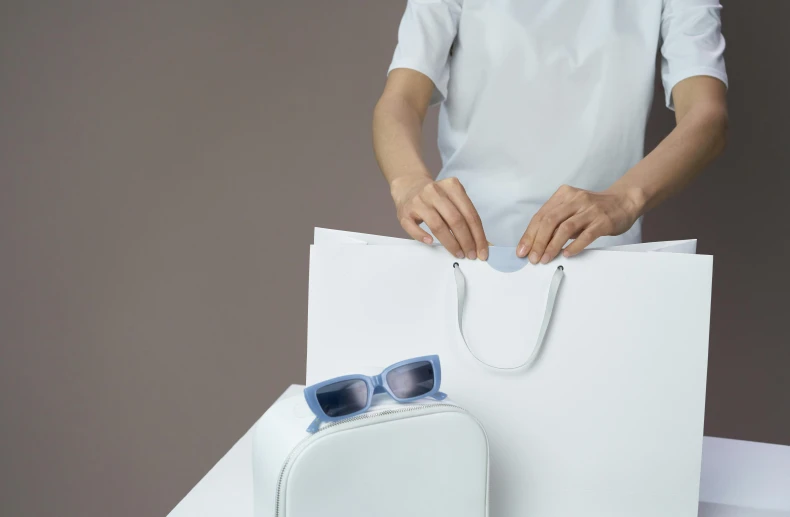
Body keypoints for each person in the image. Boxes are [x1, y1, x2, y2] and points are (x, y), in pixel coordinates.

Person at [372, 0, 728, 264]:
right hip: (458, 250)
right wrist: (409, 182)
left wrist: (625, 198)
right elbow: (400, 99)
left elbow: (706, 115)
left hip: (596, 258)